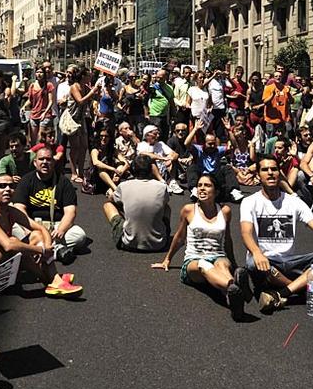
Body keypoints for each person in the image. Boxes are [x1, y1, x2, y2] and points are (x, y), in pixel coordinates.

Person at [238, 157, 313, 313]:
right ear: (258, 176)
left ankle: (282, 293)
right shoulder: (250, 202)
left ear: (280, 174)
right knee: (252, 263)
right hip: (267, 263)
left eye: (274, 169)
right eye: (265, 170)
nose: (270, 173)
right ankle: (306, 289)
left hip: (290, 263)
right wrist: (256, 252)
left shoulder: (294, 202)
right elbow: (246, 232)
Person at [0, 174, 82, 296]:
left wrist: (47, 247)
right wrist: (41, 250)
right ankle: (51, 280)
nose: (7, 189)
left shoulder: (11, 211)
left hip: (0, 258)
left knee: (36, 235)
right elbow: (8, 246)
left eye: (11, 186)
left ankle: (54, 279)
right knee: (15, 244)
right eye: (1, 186)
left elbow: (41, 228)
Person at [151, 174, 247, 320]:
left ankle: (232, 296)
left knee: (222, 264)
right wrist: (167, 259)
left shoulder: (225, 211)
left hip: (218, 255)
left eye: (207, 186)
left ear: (216, 191)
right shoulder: (189, 210)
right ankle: (233, 286)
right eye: (200, 185)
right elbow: (179, 237)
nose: (202, 189)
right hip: (194, 261)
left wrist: (233, 263)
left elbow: (227, 239)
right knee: (204, 265)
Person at [12, 145, 89, 264]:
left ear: (53, 162)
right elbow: (18, 208)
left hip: (55, 226)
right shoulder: (26, 180)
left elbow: (70, 211)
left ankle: (38, 249)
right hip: (33, 225)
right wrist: (29, 228)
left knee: (80, 235)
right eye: (41, 159)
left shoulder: (63, 182)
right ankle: (56, 250)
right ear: (35, 163)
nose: (45, 162)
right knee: (12, 226)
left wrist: (61, 229)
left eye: (48, 159)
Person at [102, 155, 171, 252]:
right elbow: (164, 202)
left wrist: (111, 195)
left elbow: (113, 199)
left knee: (108, 205)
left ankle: (126, 230)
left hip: (129, 243)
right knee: (166, 207)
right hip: (158, 244)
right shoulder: (162, 187)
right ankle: (160, 231)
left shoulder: (124, 186)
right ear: (151, 169)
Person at [183, 121, 244, 203]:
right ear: (204, 143)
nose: (212, 146)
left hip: (215, 177)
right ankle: (194, 190)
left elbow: (234, 145)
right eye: (210, 144)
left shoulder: (218, 150)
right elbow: (186, 143)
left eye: (214, 144)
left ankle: (234, 191)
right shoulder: (198, 149)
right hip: (202, 176)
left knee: (227, 168)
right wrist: (195, 129)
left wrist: (229, 131)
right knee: (192, 167)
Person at [88, 127, 130, 194]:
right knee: (101, 169)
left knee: (120, 164)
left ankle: (111, 188)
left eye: (106, 136)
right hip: (96, 178)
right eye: (101, 136)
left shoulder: (113, 150)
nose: (103, 138)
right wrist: (113, 169)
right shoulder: (95, 150)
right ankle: (115, 189)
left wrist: (119, 173)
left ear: (110, 138)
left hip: (111, 177)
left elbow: (126, 163)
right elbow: (96, 163)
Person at [24, 66, 56, 145]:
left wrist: (45, 113)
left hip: (45, 115)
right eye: (37, 72)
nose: (39, 74)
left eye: (41, 72)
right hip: (34, 114)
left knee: (41, 138)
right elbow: (30, 100)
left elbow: (51, 101)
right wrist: (24, 107)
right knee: (33, 139)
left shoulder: (49, 85)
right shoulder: (32, 86)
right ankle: (35, 156)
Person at [262, 71, 293, 138]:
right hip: (271, 119)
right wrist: (272, 95)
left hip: (283, 119)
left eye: (279, 76)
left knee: (284, 140)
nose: (278, 78)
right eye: (276, 76)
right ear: (273, 78)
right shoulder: (268, 88)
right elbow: (265, 102)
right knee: (271, 139)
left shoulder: (285, 88)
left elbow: (291, 101)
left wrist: (288, 93)